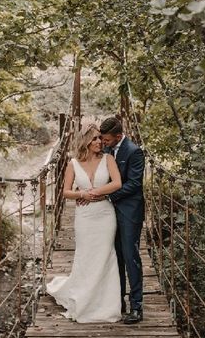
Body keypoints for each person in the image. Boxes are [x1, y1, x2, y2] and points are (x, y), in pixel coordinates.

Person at [46, 123, 123, 323]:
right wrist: (81, 194)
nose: (99, 142)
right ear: (86, 141)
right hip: (84, 217)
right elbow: (65, 191)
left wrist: (94, 192)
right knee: (86, 256)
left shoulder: (108, 159)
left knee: (105, 256)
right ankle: (84, 300)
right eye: (95, 138)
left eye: (100, 138)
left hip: (105, 215)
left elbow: (117, 183)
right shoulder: (73, 163)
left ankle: (106, 306)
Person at [91, 116, 145, 325]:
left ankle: (137, 307)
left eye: (106, 140)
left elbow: (134, 184)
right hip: (107, 213)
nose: (103, 144)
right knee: (115, 256)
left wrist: (107, 195)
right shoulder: (106, 149)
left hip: (129, 212)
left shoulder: (134, 151)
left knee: (131, 256)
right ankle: (117, 301)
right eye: (102, 140)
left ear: (119, 136)